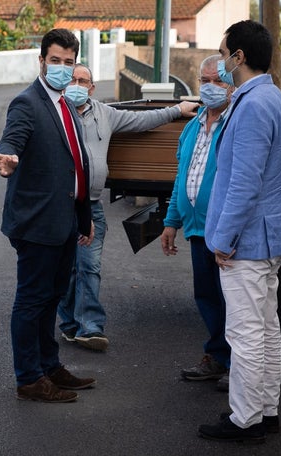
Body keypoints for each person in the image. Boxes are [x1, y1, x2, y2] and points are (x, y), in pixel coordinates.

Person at [198, 20, 281, 443]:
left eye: (223, 55)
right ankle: (265, 412)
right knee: (265, 330)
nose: (221, 63)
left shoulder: (254, 104)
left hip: (248, 242)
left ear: (239, 57)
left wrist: (223, 239)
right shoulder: (270, 97)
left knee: (245, 334)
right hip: (265, 236)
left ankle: (246, 420)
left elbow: (245, 181)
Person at [58, 64, 198, 352]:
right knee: (66, 269)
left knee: (89, 266)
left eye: (83, 80)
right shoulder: (56, 113)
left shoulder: (105, 114)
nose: (76, 84)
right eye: (72, 79)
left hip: (91, 207)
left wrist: (176, 110)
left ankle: (91, 327)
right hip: (61, 205)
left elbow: (142, 120)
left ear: (92, 87)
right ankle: (70, 324)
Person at [0, 29, 96, 403]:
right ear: (41, 61)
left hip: (64, 221)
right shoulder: (27, 102)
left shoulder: (65, 104)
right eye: (55, 61)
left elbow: (74, 165)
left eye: (69, 62)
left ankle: (50, 366)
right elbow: (13, 140)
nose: (63, 69)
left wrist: (83, 214)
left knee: (52, 297)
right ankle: (29, 378)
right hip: (36, 222)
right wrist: (8, 158)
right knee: (32, 300)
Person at [160, 55, 233, 391]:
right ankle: (218, 357)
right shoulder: (192, 126)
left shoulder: (235, 123)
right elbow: (182, 176)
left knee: (234, 302)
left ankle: (238, 368)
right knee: (208, 297)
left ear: (232, 84)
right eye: (205, 81)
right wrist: (171, 221)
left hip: (225, 232)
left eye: (218, 81)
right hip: (196, 230)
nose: (211, 88)